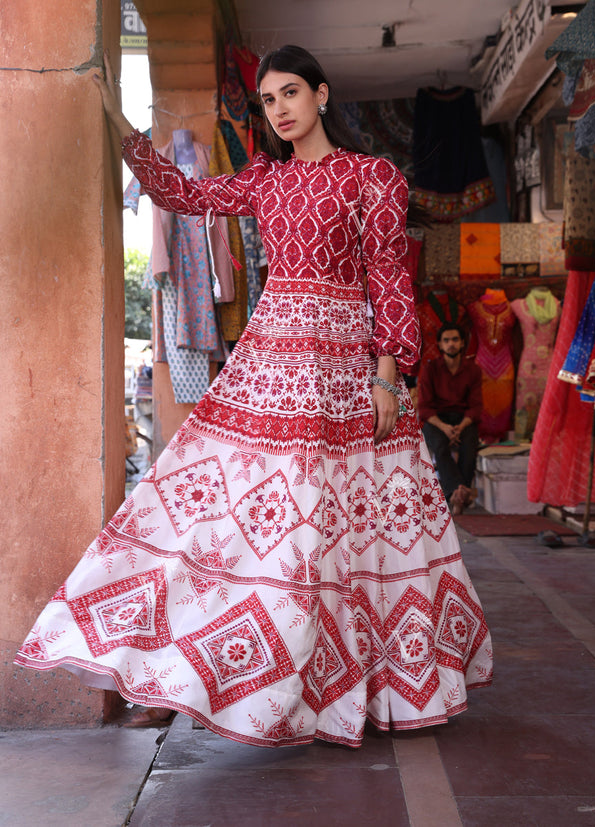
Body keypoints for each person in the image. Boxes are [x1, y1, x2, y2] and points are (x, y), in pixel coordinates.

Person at [14, 46, 492, 747]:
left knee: (355, 524)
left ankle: (371, 685)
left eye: (291, 93)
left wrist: (388, 376)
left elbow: (390, 277)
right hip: (271, 362)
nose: (280, 109)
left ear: (322, 94)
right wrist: (121, 127)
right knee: (243, 514)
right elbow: (185, 195)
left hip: (348, 368)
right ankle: (206, 675)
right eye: (268, 100)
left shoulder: (372, 177)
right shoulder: (264, 181)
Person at [417, 324, 483, 515]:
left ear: (462, 343)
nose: (451, 344)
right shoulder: (430, 369)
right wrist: (445, 428)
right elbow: (425, 408)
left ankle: (456, 494)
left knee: (469, 447)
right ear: (440, 344)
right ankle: (460, 492)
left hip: (464, 420)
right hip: (437, 420)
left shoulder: (473, 370)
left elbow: (476, 406)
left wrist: (460, 427)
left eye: (455, 339)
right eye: (446, 340)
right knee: (439, 446)